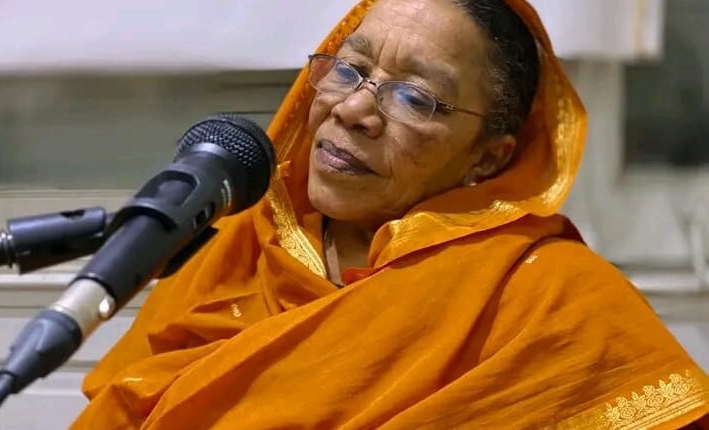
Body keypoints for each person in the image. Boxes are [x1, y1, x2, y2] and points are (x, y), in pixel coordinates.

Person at [72, 0, 709, 428]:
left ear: (488, 157)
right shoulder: (234, 247)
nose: (354, 110)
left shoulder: (552, 299)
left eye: (415, 98)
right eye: (349, 69)